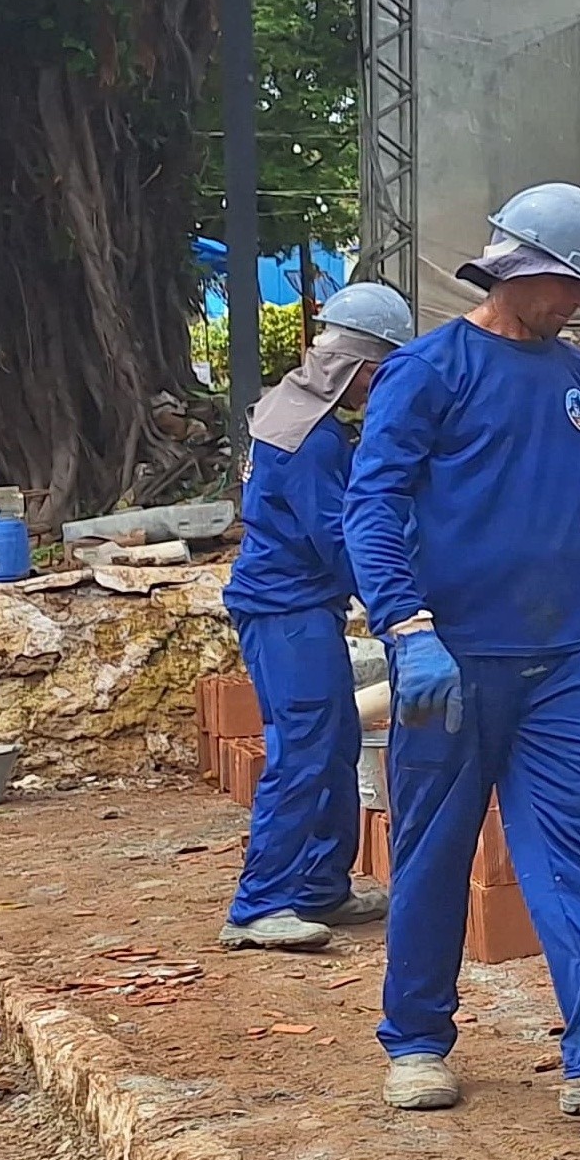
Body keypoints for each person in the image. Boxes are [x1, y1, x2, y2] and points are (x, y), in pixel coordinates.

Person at [343, 183, 580, 1116]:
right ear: (510, 270)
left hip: (559, 658)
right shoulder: (429, 371)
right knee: (435, 854)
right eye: (561, 283)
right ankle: (418, 1041)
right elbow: (372, 507)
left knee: (574, 848)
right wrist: (405, 626)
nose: (573, 302)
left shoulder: (576, 381)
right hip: (452, 660)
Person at [216, 281, 419, 953]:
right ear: (358, 365)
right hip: (286, 609)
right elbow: (338, 536)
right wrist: (401, 605)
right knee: (304, 748)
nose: (376, 388)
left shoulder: (289, 410)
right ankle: (259, 905)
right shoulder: (311, 439)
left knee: (332, 742)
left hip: (292, 604)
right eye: (378, 374)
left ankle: (320, 889)